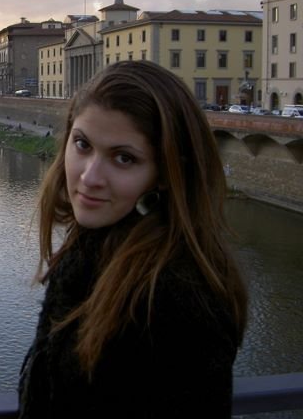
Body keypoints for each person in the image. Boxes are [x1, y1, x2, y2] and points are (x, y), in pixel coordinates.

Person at [18, 60, 247, 418]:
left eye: (123, 158)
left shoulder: (176, 299)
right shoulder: (92, 250)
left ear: (165, 173)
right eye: (82, 145)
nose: (90, 177)